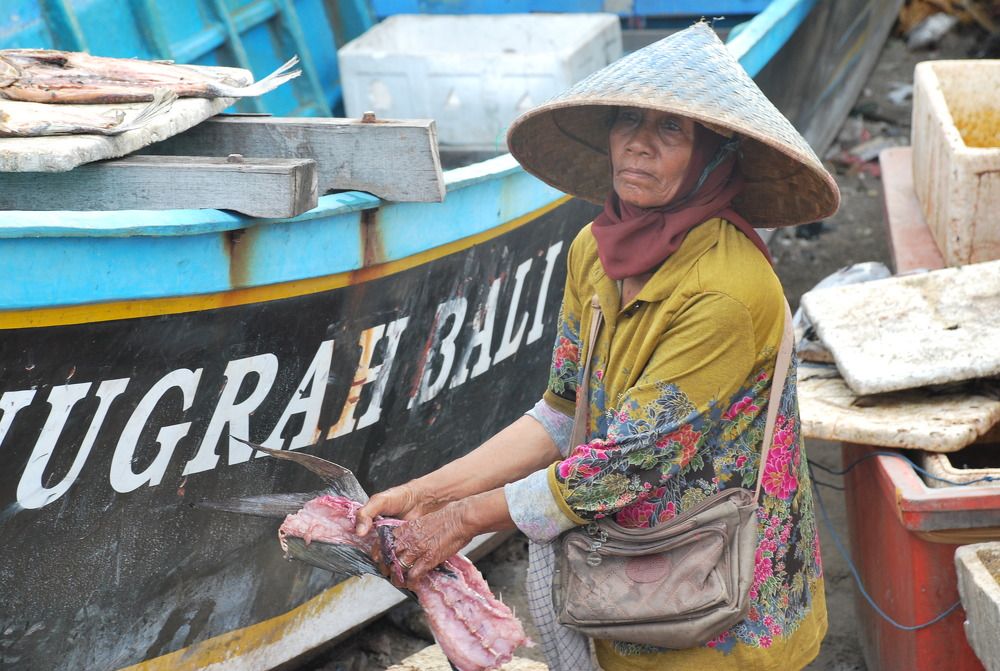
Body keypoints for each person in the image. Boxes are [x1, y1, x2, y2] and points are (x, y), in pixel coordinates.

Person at [354, 22, 839, 671]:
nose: (639, 143)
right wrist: (427, 493)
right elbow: (560, 412)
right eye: (627, 120)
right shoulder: (593, 250)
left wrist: (463, 518)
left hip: (725, 605)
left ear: (714, 157)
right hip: (625, 581)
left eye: (672, 129)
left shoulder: (724, 292)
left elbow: (623, 466)